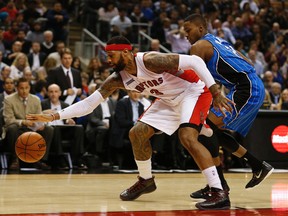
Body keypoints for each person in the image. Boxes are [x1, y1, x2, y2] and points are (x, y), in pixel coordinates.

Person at [27, 35, 233, 210]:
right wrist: (54, 116)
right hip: (168, 100)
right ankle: (146, 180)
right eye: (106, 56)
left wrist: (215, 91)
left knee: (187, 137)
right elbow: (89, 104)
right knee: (137, 133)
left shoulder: (151, 60)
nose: (108, 60)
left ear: (126, 53)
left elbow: (196, 62)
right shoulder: (118, 79)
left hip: (193, 91)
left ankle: (218, 191)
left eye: (111, 55)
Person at [183, 14, 274, 199]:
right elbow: (245, 60)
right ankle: (256, 167)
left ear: (200, 29)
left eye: (188, 30)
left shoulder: (198, 46)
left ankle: (219, 187)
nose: (185, 34)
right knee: (210, 130)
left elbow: (192, 79)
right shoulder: (218, 40)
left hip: (246, 89)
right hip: (247, 84)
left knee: (204, 130)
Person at [3, 77, 53, 170]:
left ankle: (40, 159)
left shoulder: (36, 99)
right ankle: (15, 159)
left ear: (29, 88)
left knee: (48, 129)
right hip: (18, 127)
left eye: (26, 88)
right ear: (17, 88)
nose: (24, 91)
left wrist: (40, 124)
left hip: (32, 128)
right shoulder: (8, 99)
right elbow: (8, 120)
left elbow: (39, 116)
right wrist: (23, 122)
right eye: (21, 88)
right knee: (12, 129)